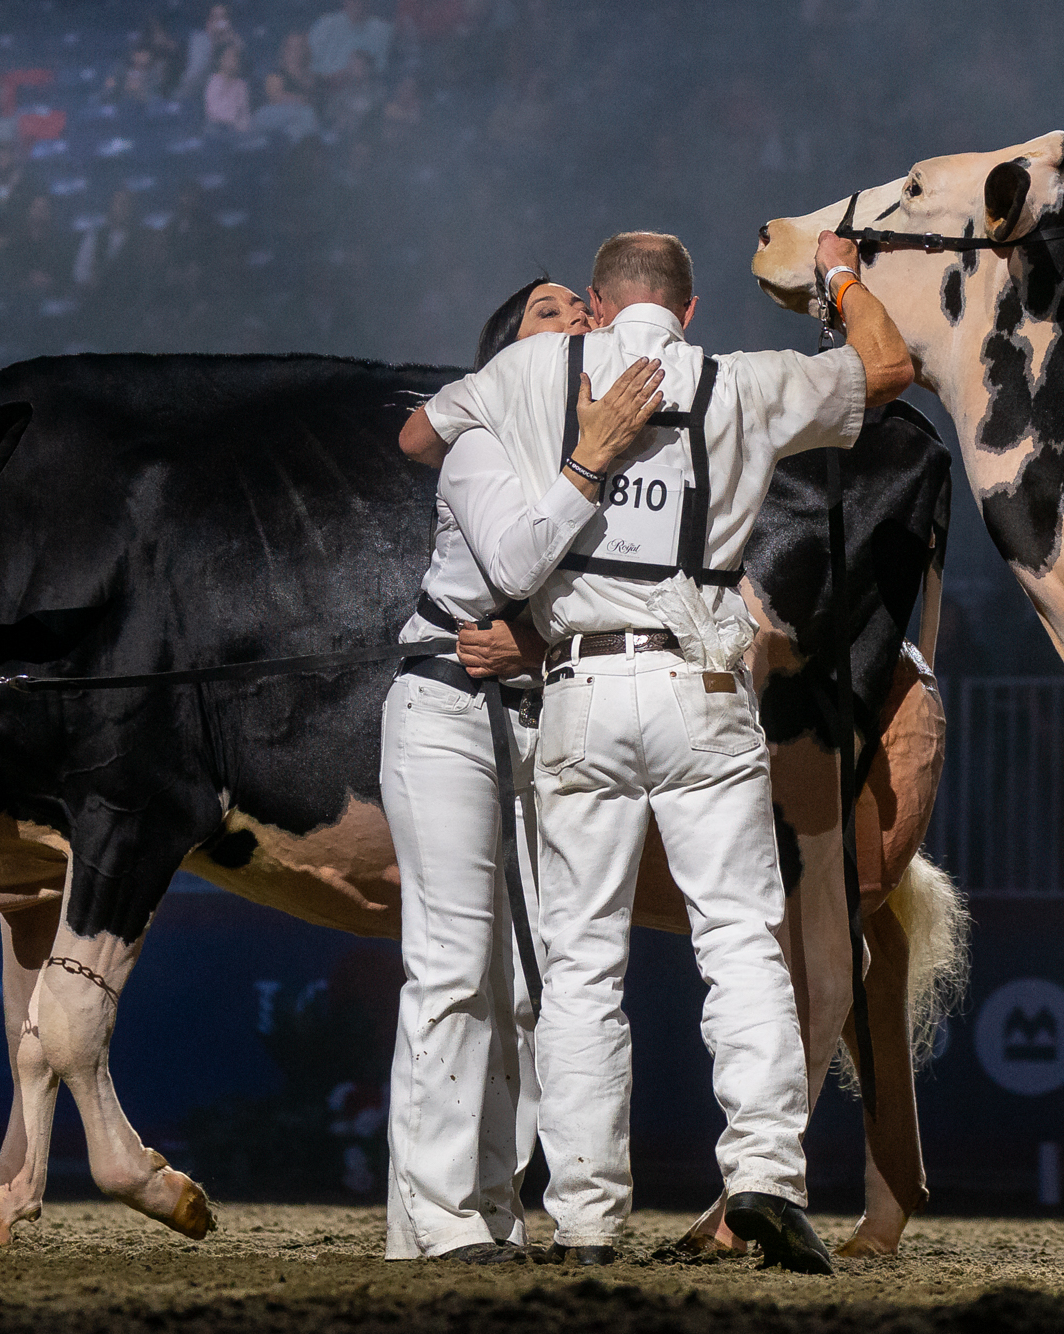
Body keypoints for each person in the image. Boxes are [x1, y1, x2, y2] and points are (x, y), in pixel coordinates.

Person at [411, 230, 912, 1272]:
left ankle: (585, 1219)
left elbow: (418, 437)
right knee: (738, 938)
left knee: (581, 961)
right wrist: (838, 272)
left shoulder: (533, 368)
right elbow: (888, 366)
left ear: (597, 305)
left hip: (579, 685)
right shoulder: (744, 381)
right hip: (704, 686)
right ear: (688, 312)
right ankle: (765, 1174)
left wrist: (529, 429)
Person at [382, 276, 665, 1265]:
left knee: (533, 985)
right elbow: (511, 566)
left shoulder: (625, 466)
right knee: (455, 968)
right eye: (548, 313)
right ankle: (436, 1217)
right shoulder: (482, 441)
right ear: (507, 357)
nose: (575, 321)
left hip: (547, 713)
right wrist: (589, 460)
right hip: (446, 711)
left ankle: (492, 1210)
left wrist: (540, 648)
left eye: (581, 310)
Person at [308, 0, 392, 79]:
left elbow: (382, 70)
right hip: (322, 84)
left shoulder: (382, 31)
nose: (358, 3)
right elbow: (309, 63)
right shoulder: (325, 25)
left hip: (364, 86)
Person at [203, 43, 250, 134]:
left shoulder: (241, 85)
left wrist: (242, 128)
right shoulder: (213, 81)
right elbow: (213, 112)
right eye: (230, 56)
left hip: (236, 130)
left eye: (236, 57)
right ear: (221, 60)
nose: (234, 60)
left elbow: (244, 112)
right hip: (217, 128)